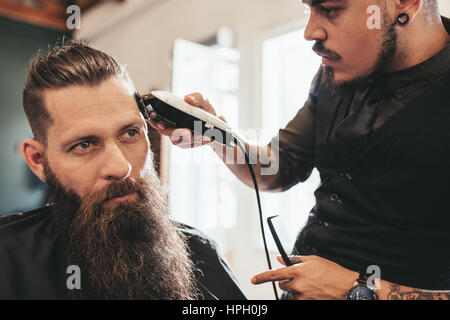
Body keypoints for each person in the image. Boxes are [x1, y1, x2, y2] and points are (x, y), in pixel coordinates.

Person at [150, 0, 450, 299]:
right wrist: (217, 134)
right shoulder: (338, 72)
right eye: (310, 9)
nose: (309, 32)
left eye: (330, 9)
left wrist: (358, 290)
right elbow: (277, 168)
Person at [0, 41, 246, 300]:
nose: (121, 168)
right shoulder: (8, 261)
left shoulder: (201, 254)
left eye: (130, 133)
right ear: (38, 160)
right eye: (84, 144)